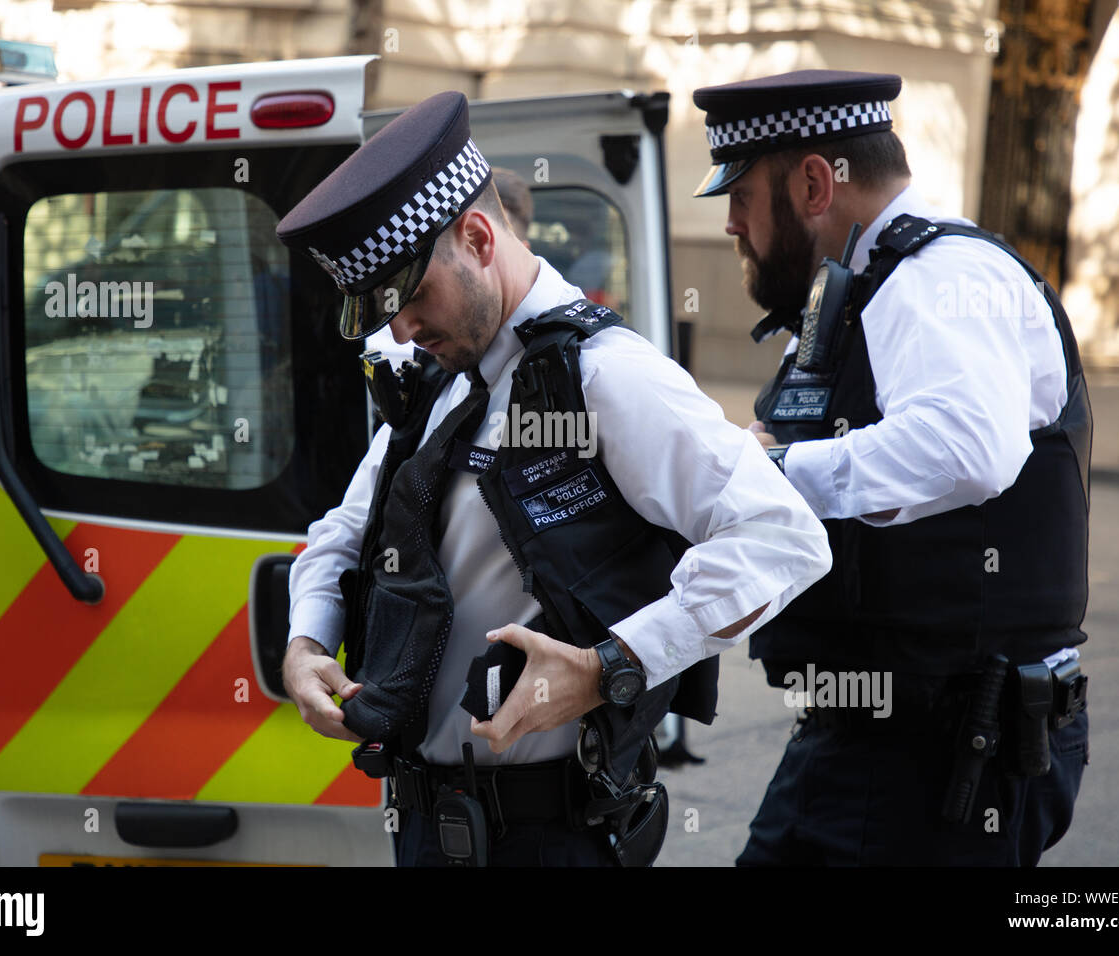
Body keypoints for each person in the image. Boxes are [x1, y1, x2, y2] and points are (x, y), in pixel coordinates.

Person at [274, 90, 831, 866]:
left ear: (475, 237)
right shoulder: (442, 379)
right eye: (379, 308)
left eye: (410, 297)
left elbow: (784, 538)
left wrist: (610, 669)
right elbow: (345, 531)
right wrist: (306, 642)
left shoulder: (608, 376)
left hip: (551, 836)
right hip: (429, 824)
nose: (398, 329)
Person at [691, 70, 1092, 866]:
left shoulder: (943, 279)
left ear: (813, 182)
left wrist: (777, 473)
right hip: (861, 736)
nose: (732, 223)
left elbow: (965, 448)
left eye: (740, 194)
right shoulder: (858, 289)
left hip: (948, 755)